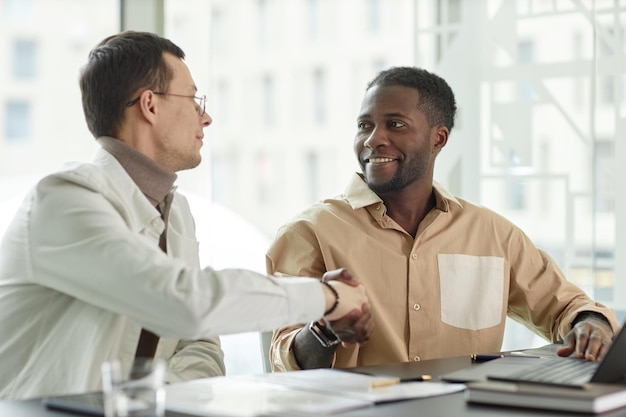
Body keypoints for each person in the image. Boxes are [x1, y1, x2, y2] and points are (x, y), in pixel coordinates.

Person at [0, 31, 369, 400]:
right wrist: (328, 297)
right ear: (150, 105)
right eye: (193, 99)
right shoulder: (63, 200)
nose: (205, 117)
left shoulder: (176, 213)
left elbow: (201, 347)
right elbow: (183, 302)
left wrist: (145, 399)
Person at [267, 66, 620, 372]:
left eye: (395, 124)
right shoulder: (310, 232)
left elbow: (568, 307)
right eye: (364, 125)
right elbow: (285, 362)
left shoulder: (493, 235)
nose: (374, 139)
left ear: (439, 138)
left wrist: (592, 326)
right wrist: (325, 331)